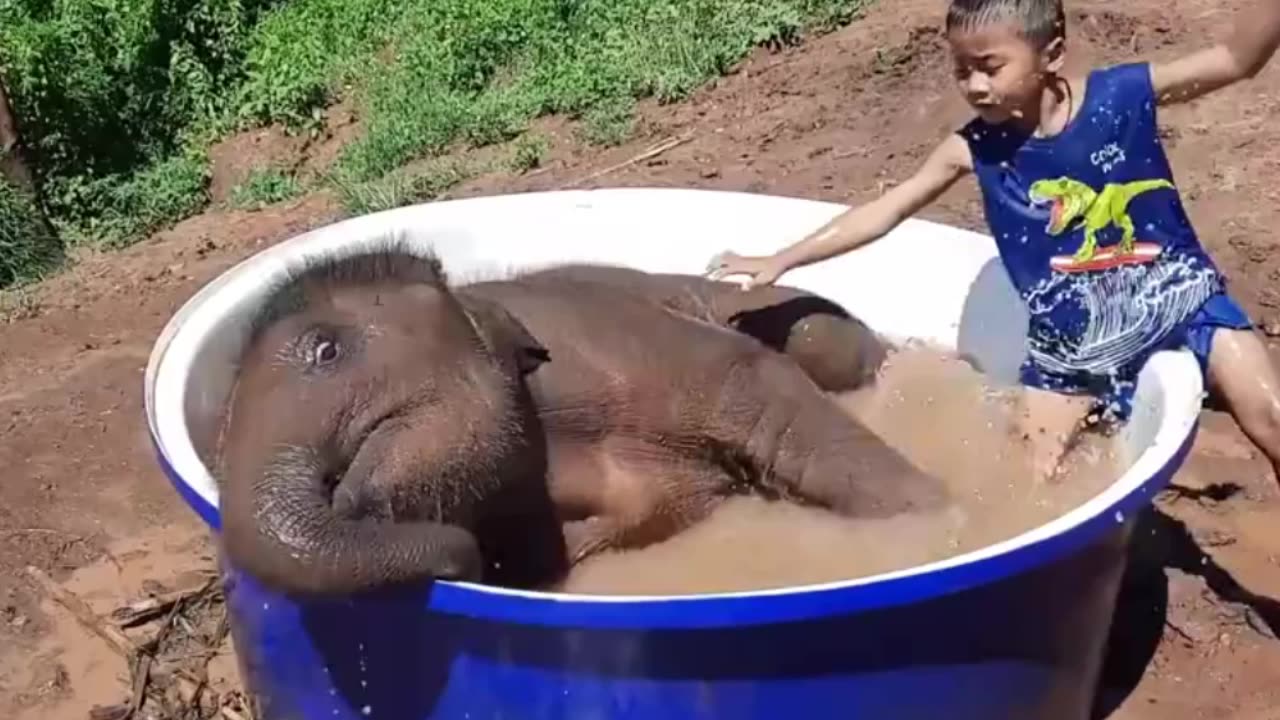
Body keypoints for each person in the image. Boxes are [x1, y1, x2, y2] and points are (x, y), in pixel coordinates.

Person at [705, 0, 1280, 485]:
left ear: (1051, 54)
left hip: (1182, 296)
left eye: (989, 66)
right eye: (961, 69)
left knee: (1271, 417)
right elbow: (887, 209)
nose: (974, 85)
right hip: (1074, 347)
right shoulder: (973, 149)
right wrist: (780, 259)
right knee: (1033, 483)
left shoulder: (1124, 96)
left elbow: (1236, 59)